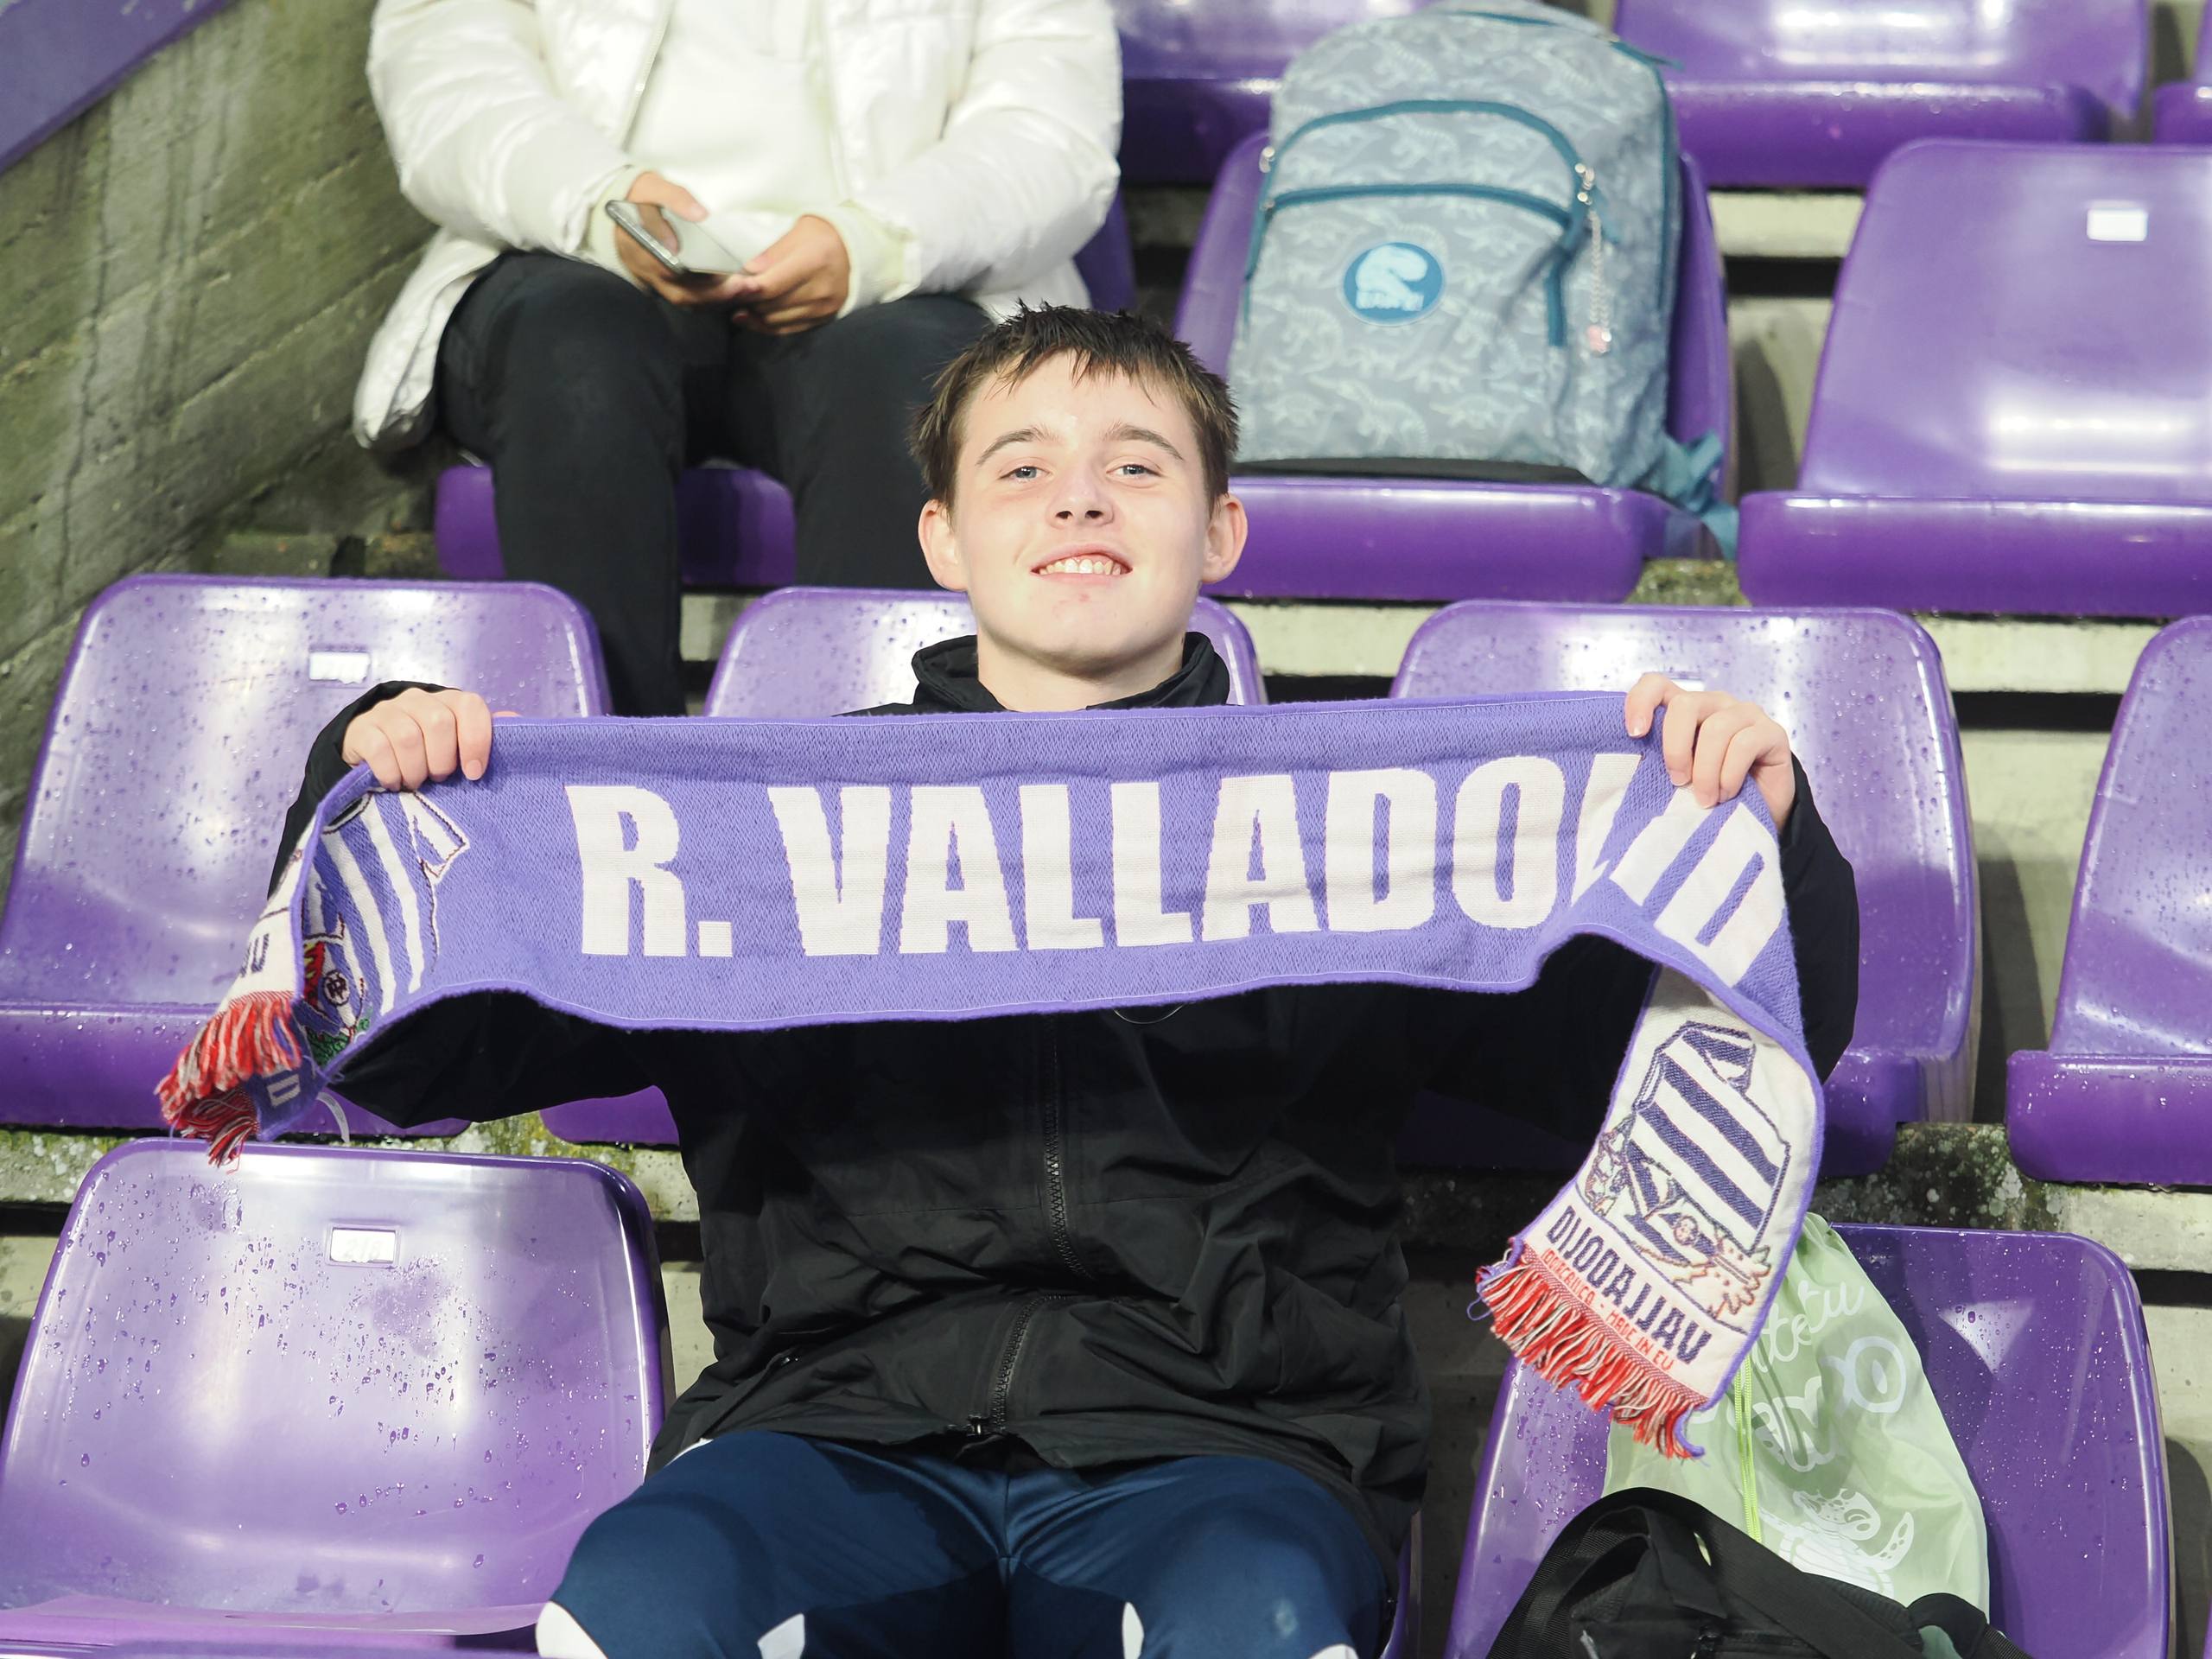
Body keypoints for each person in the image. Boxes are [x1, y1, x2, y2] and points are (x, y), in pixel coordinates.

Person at [287, 308, 1860, 1658]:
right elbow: (406, 1055)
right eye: (1020, 469)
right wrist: (370, 777)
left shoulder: (1368, 830)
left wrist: (1751, 839)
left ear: (1221, 530)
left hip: (1228, 1454)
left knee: (1252, 1622)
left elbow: (1657, 1052)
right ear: (943, 540)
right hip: (828, 1437)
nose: (1078, 498)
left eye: (1137, 464)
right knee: (634, 1599)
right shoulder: (751, 833)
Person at [351, 0, 1122, 715]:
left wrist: (879, 241)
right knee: (572, 348)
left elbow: (1050, 125)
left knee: (917, 381)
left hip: (899, 290)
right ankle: (596, 784)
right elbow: (449, 74)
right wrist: (596, 201)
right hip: (574, 259)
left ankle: (870, 791)